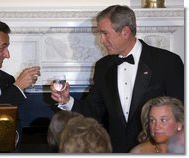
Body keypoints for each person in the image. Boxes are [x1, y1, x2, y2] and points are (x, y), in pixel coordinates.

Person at [50, 5, 184, 153]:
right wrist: (66, 100)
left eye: (105, 34)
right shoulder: (103, 67)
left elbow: (182, 113)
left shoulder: (167, 62)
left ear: (125, 32)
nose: (101, 40)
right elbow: (93, 113)